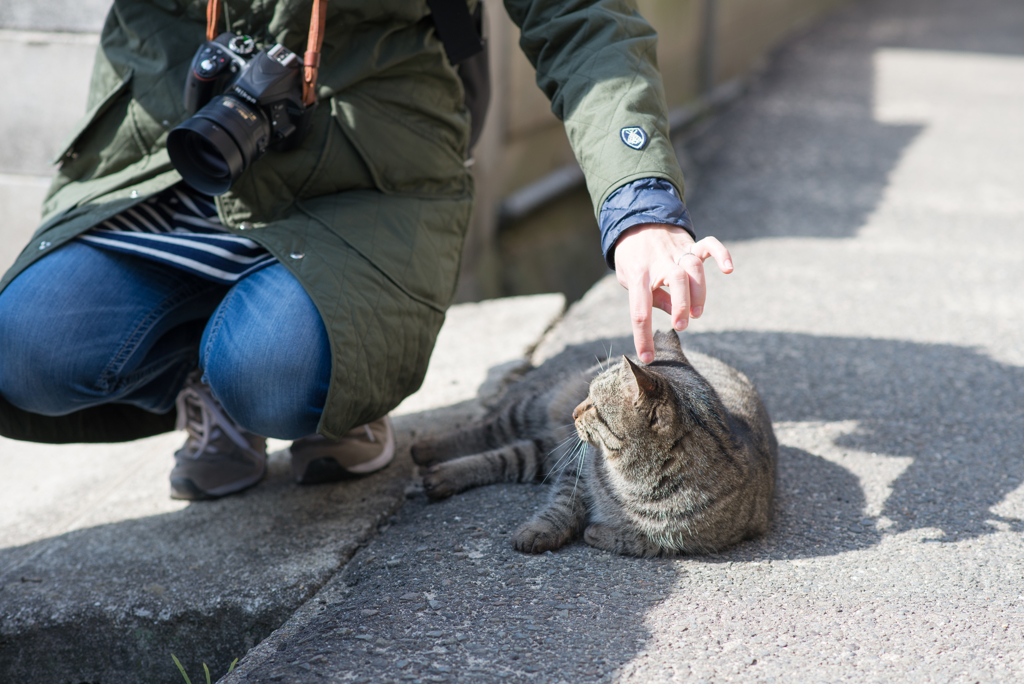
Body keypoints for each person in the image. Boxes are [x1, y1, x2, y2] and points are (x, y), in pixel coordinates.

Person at [0, 0, 731, 499]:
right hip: (173, 153)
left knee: (273, 372)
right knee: (27, 347)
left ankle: (323, 378)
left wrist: (640, 206)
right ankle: (204, 367)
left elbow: (579, 16)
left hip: (369, 168)